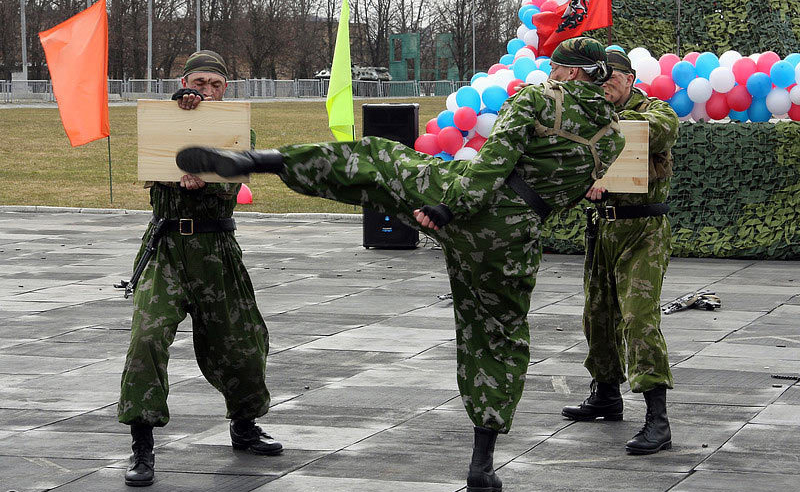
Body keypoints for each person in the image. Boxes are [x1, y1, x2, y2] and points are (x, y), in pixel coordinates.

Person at [176, 37, 624, 492]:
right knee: (497, 340)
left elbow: (492, 164)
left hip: (462, 203)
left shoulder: (536, 99)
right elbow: (565, 197)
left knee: (373, 161)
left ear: (569, 72)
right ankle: (482, 464)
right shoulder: (615, 136)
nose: (552, 75)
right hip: (515, 240)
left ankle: (257, 161)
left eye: (556, 70)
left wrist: (450, 208)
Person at [119, 50, 282, 488]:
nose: (206, 92)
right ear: (185, 83)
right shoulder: (165, 117)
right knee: (146, 342)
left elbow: (231, 186)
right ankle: (142, 444)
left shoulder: (235, 127)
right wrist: (176, 168)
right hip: (167, 249)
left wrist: (205, 177)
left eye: (215, 84)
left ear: (225, 88)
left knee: (243, 343)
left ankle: (244, 426)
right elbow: (153, 160)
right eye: (199, 83)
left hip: (216, 250)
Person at [561, 50, 679, 455]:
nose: (605, 83)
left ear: (630, 78)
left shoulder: (653, 109)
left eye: (612, 77)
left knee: (639, 318)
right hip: (604, 226)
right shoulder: (592, 109)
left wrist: (604, 128)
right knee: (598, 314)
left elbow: (658, 133)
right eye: (600, 77)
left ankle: (657, 419)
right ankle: (606, 393)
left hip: (643, 228)